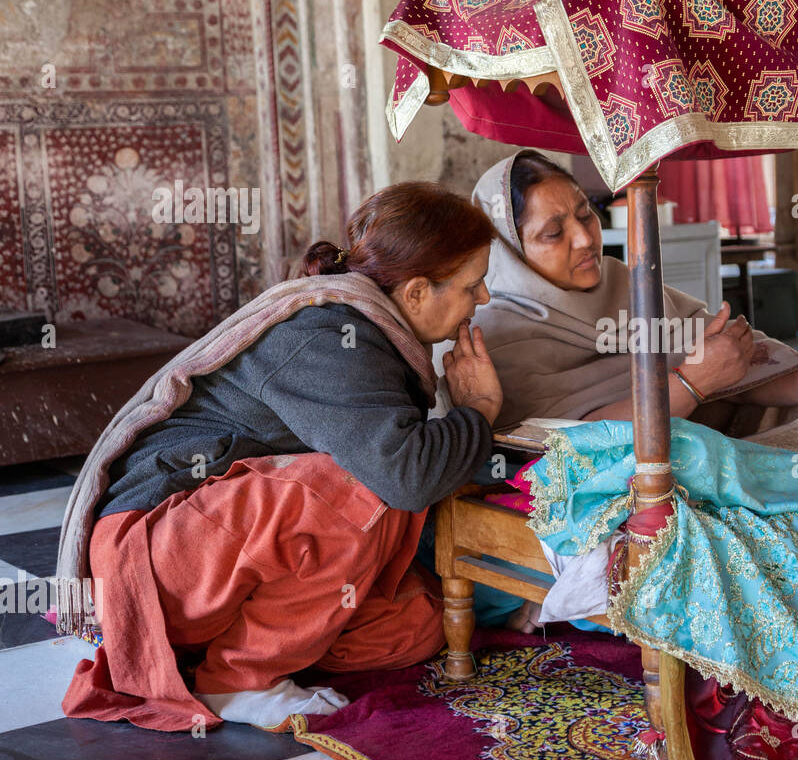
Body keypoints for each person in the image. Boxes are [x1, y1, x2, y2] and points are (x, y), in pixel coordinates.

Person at [61, 182, 505, 730]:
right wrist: (479, 409)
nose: (483, 299)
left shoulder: (372, 330)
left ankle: (212, 651)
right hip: (152, 551)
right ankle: (238, 683)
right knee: (361, 489)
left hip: (215, 552)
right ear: (415, 293)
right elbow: (404, 475)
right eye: (472, 285)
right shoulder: (327, 335)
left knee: (416, 626)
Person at [458, 150, 798, 629]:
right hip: (579, 495)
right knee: (695, 452)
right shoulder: (499, 331)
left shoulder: (625, 286)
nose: (584, 238)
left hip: (675, 458)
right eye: (554, 234)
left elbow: (728, 351)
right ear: (508, 251)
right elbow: (573, 440)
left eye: (585, 213)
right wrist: (692, 384)